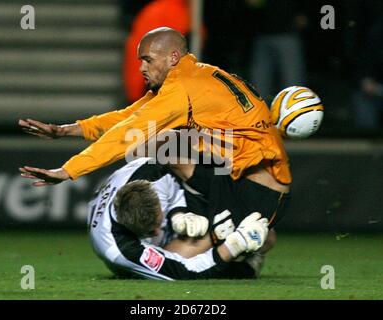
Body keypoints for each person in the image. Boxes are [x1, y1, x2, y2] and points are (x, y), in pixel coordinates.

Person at [19, 27, 291, 233]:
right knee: (170, 141)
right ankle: (213, 223)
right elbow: (129, 116)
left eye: (148, 60)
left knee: (159, 142)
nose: (141, 67)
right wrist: (66, 131)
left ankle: (201, 220)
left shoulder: (180, 89)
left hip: (255, 191)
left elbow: (128, 132)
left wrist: (69, 170)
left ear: (173, 57)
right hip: (259, 182)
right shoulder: (194, 75)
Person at [88, 157, 269, 280]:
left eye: (158, 222)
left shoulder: (149, 172)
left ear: (153, 193)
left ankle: (231, 211)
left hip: (180, 208)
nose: (157, 230)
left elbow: (171, 182)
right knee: (266, 238)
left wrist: (178, 214)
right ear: (130, 230)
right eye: (151, 231)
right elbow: (183, 271)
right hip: (157, 252)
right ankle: (243, 264)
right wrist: (234, 245)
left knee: (182, 160)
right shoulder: (121, 249)